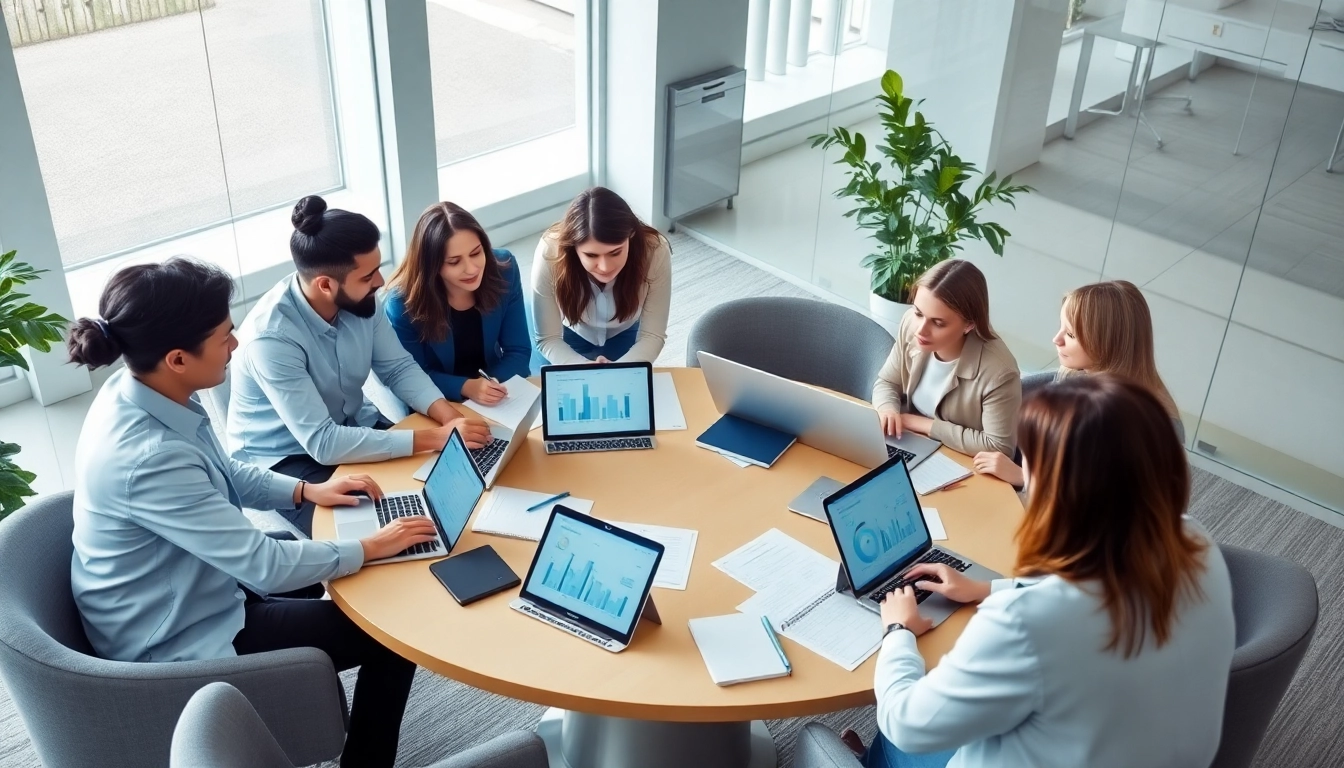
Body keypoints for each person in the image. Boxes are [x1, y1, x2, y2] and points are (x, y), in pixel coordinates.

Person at [67, 258, 437, 768]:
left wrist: (310, 492)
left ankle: (310, 713)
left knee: (323, 568)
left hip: (191, 585)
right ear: (177, 357)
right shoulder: (150, 457)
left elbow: (227, 473)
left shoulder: (143, 390)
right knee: (393, 635)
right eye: (224, 337)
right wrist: (373, 546)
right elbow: (262, 565)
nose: (235, 346)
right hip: (178, 636)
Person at [851, 375, 1235, 768]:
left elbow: (907, 724)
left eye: (1028, 463)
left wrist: (897, 632)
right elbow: (1079, 591)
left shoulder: (1025, 623)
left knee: (893, 729)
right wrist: (988, 589)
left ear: (1057, 490)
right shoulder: (1195, 541)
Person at [228, 195, 491, 536]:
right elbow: (323, 443)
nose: (380, 282)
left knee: (452, 491)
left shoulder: (361, 299)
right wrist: (434, 438)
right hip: (288, 459)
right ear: (326, 284)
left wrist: (450, 418)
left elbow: (397, 367)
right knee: (372, 534)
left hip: (352, 423)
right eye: (368, 276)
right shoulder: (271, 340)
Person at [972, 280, 1181, 487]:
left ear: (1106, 344)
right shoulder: (1080, 375)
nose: (1057, 339)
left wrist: (1023, 477)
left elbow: (1104, 503)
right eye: (1061, 328)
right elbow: (1012, 393)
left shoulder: (1149, 430)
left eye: (1070, 334)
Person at [384, 202, 530, 404]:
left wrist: (490, 385)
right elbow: (412, 377)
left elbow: (519, 351)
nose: (471, 269)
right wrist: (466, 387)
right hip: (435, 398)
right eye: (454, 262)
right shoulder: (402, 303)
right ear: (431, 266)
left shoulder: (504, 269)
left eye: (476, 253)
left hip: (497, 386)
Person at [872, 260, 1021, 457]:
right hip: (907, 442)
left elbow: (999, 447)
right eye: (918, 313)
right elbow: (887, 382)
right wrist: (888, 410)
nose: (921, 330)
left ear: (969, 325)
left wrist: (923, 424)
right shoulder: (911, 325)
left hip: (956, 459)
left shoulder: (999, 372)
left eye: (938, 323)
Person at [530, 186, 671, 364]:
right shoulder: (550, 251)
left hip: (625, 333)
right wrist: (584, 369)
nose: (605, 267)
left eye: (615, 252)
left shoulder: (655, 251)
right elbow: (548, 338)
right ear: (573, 248)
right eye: (591, 255)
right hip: (571, 334)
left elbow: (652, 334)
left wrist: (620, 370)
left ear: (631, 236)